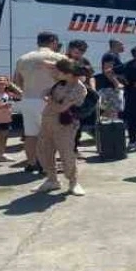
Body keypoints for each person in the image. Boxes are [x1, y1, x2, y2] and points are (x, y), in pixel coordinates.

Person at [32, 59, 88, 196]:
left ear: (68, 74)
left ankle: (73, 182)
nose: (55, 73)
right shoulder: (62, 80)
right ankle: (52, 180)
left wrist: (48, 100)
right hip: (47, 121)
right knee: (44, 151)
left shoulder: (79, 88)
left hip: (65, 125)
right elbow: (49, 65)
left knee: (66, 154)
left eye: (58, 71)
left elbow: (61, 108)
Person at [14, 32, 65, 174]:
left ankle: (31, 164)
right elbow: (66, 80)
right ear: (53, 41)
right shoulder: (59, 58)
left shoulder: (23, 58)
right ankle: (47, 166)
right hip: (49, 100)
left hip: (28, 99)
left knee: (31, 134)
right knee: (50, 135)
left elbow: (17, 82)